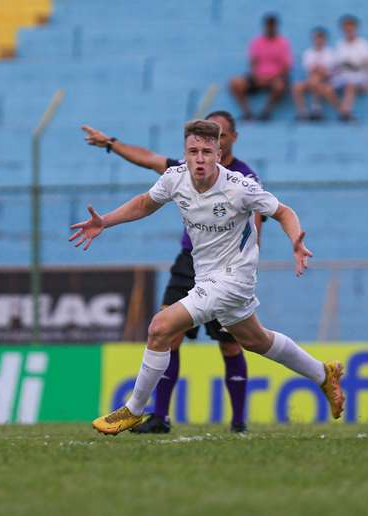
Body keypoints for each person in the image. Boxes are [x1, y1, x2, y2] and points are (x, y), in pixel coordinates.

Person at [70, 119, 345, 435]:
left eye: (206, 151)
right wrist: (104, 221)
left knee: (160, 327)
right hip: (206, 276)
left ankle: (133, 410)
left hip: (235, 278)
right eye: (193, 151)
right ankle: (323, 375)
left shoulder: (239, 187)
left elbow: (283, 211)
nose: (199, 158)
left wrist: (296, 240)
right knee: (256, 340)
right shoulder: (176, 179)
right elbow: (145, 203)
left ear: (219, 152)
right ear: (185, 153)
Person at [80, 111, 259, 433]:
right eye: (197, 146)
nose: (203, 150)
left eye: (220, 134)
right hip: (189, 262)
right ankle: (159, 417)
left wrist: (243, 264)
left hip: (228, 268)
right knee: (167, 334)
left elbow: (258, 220)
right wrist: (110, 143)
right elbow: (150, 160)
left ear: (229, 139)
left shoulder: (243, 178)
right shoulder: (189, 167)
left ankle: (238, 423)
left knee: (231, 344)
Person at [229, 13, 292, 121]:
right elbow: (253, 62)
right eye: (268, 25)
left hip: (275, 78)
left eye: (273, 26)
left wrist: (271, 78)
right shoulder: (256, 42)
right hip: (257, 77)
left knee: (279, 86)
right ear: (265, 26)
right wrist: (257, 76)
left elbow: (286, 66)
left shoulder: (283, 43)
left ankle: (266, 112)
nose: (270, 28)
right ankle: (247, 113)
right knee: (235, 83)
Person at [331, 15, 368, 122]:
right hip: (342, 76)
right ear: (342, 29)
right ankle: (343, 111)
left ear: (356, 27)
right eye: (346, 27)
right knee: (325, 88)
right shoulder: (339, 44)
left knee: (350, 84)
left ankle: (346, 112)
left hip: (358, 75)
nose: (348, 29)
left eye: (351, 26)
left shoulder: (363, 43)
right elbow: (336, 65)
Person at [292, 27, 339, 121]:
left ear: (325, 39)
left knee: (316, 80)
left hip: (326, 81)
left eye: (321, 38)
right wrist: (318, 70)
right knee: (297, 87)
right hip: (310, 79)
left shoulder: (331, 53)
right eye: (317, 38)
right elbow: (309, 70)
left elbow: (328, 72)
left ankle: (316, 109)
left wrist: (319, 70)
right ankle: (302, 112)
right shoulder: (308, 53)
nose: (319, 40)